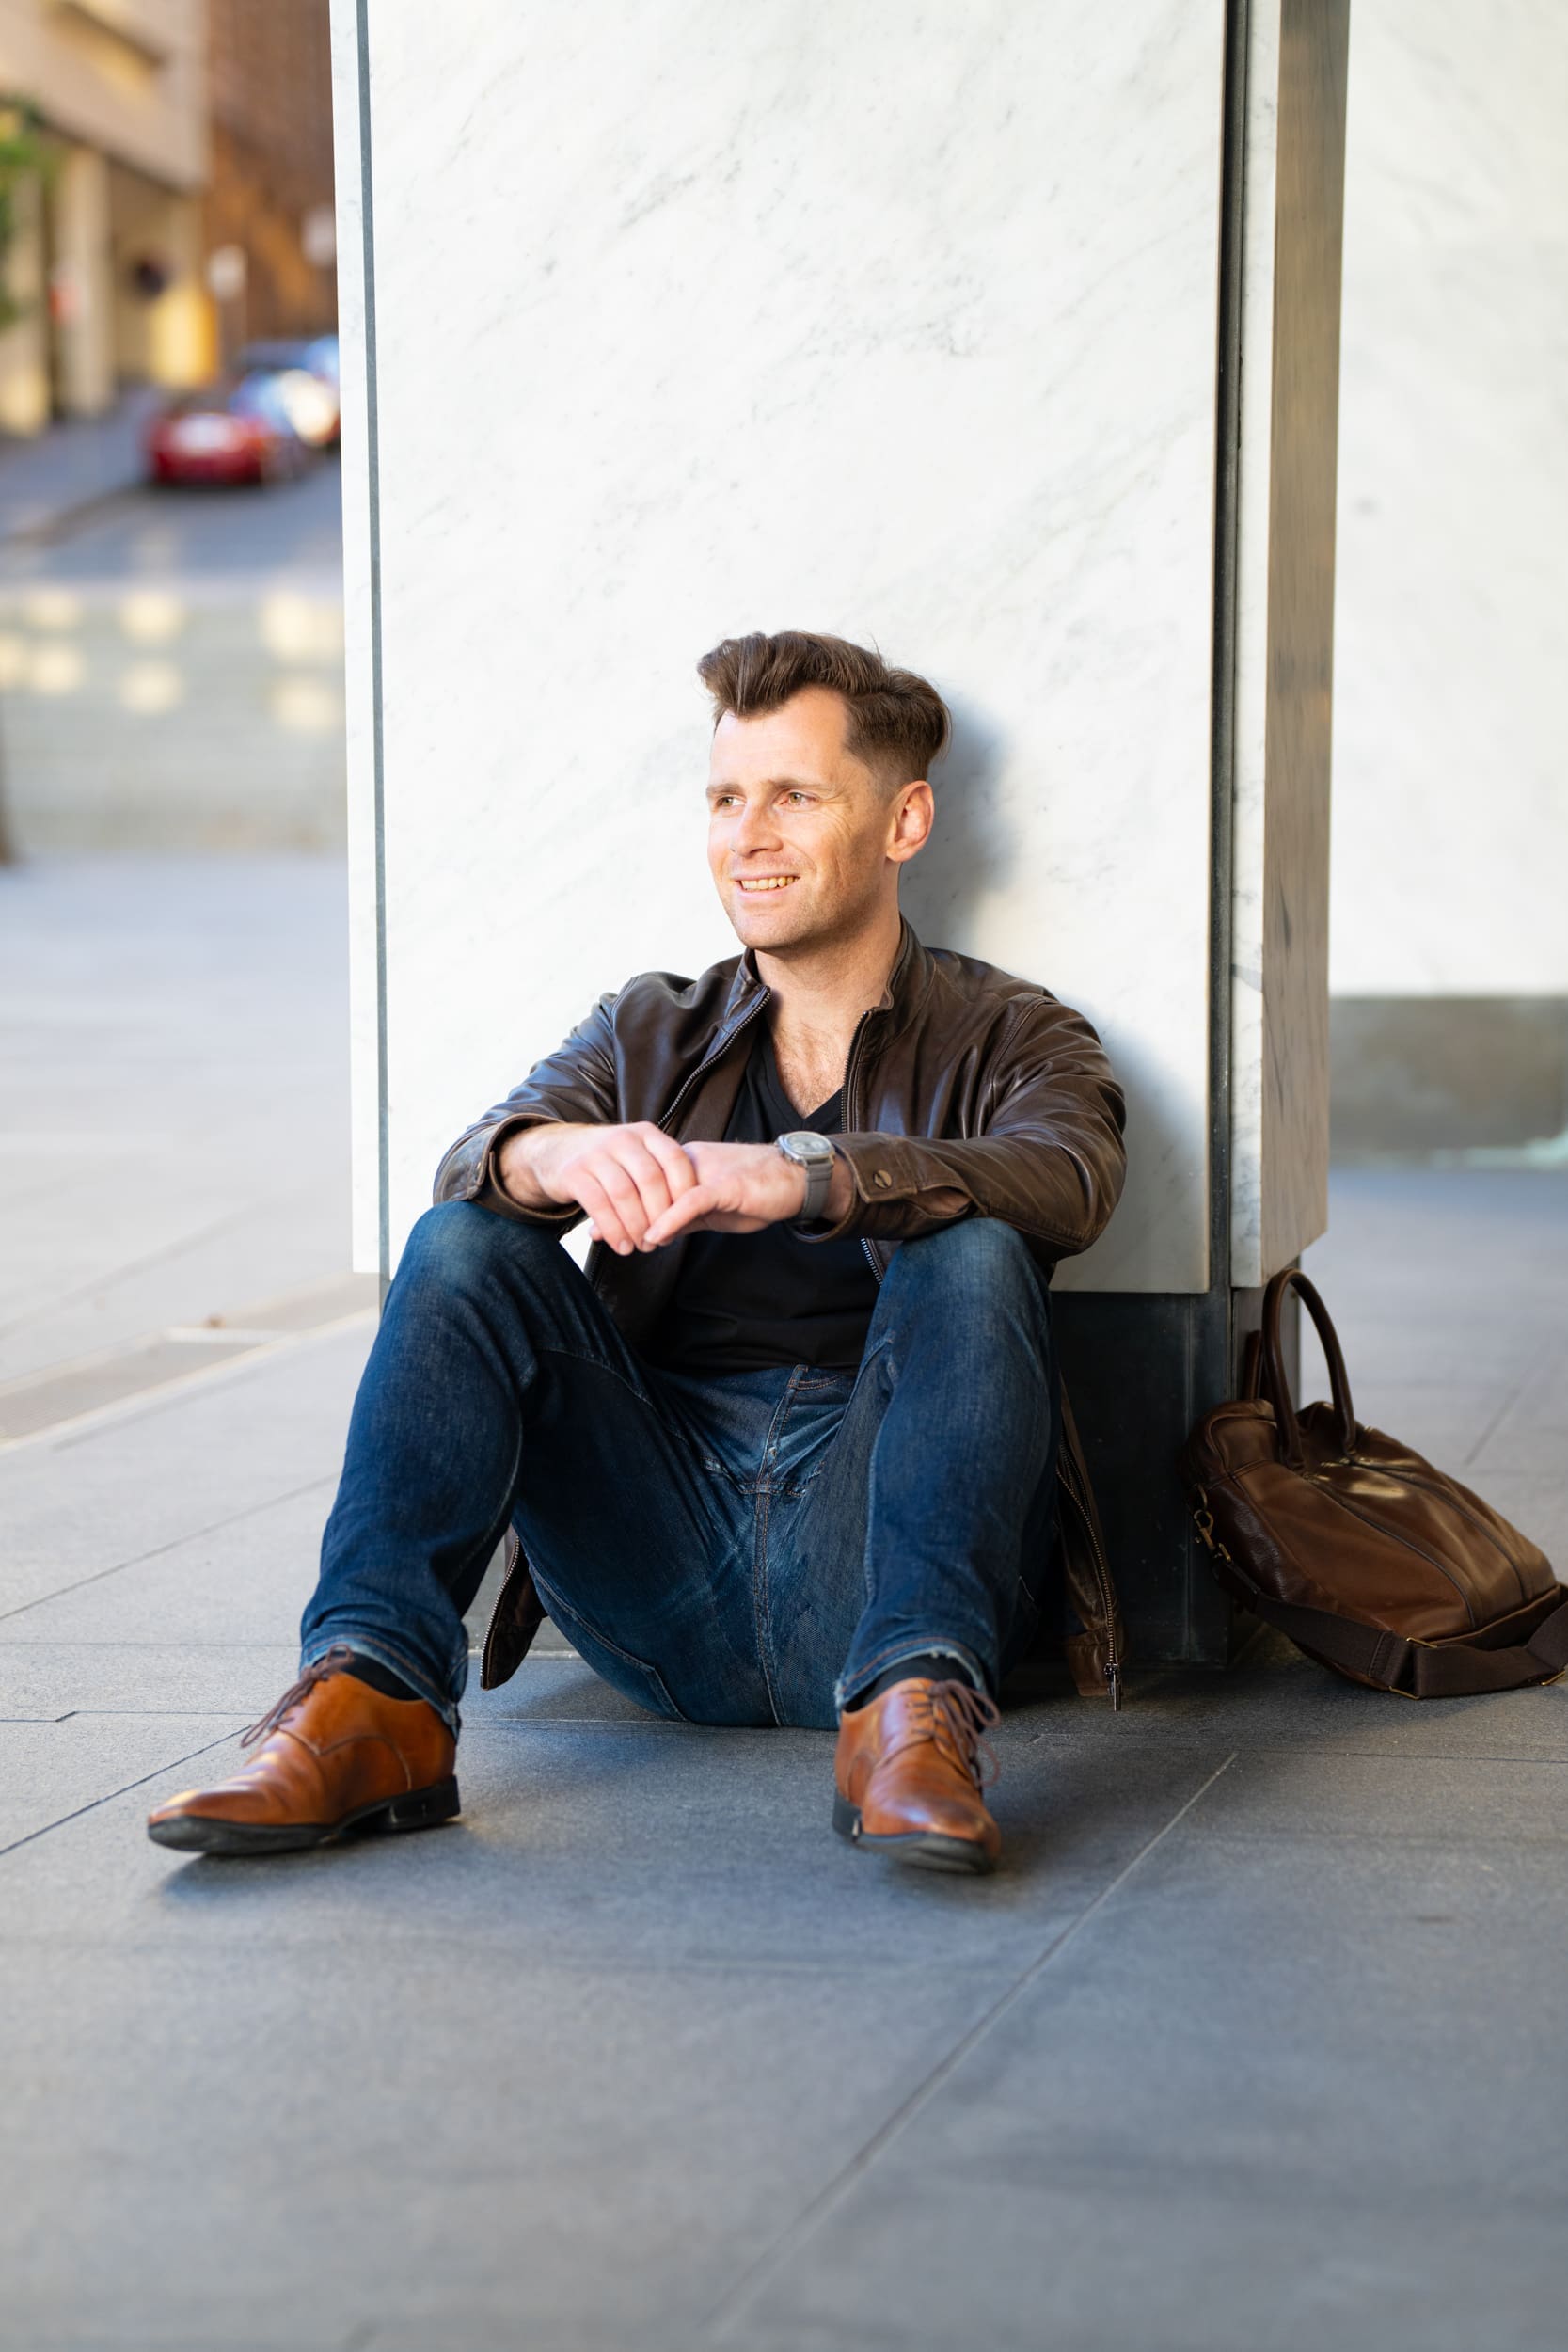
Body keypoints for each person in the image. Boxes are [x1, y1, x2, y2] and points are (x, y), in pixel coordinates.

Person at [149, 631, 1127, 1875]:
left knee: (975, 1250)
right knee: (462, 1242)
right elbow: (474, 1158)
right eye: (726, 798)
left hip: (874, 1551)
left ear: (904, 821)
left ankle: (911, 1721)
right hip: (658, 1547)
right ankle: (373, 1705)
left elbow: (1075, 1178)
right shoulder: (653, 1028)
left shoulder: (1012, 1034)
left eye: (795, 796)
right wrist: (542, 1160)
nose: (748, 836)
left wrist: (812, 1176)